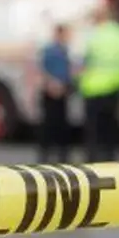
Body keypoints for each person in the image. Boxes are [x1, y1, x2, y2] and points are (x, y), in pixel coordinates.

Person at [77, 2, 119, 163]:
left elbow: (81, 60)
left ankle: (92, 159)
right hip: (115, 87)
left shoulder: (92, 34)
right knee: (111, 127)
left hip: (92, 87)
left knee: (93, 129)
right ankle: (111, 158)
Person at [37, 24, 73, 163]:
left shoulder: (65, 51)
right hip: (50, 91)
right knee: (48, 124)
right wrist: (52, 84)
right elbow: (43, 69)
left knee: (62, 125)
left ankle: (62, 155)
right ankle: (45, 154)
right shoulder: (50, 50)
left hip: (62, 91)